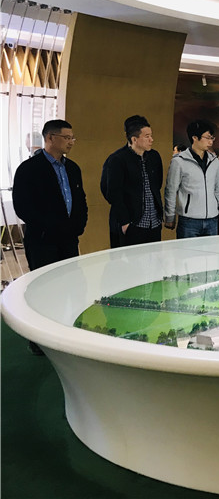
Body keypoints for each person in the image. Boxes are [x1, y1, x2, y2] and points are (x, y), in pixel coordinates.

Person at [12, 119, 88, 355]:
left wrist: (78, 225)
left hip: (68, 239)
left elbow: (81, 201)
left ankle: (63, 333)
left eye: (72, 138)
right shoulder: (29, 169)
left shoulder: (72, 168)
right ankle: (38, 341)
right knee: (42, 290)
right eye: (67, 138)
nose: (71, 142)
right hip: (42, 240)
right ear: (50, 138)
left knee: (69, 287)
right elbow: (23, 207)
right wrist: (49, 227)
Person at [100, 115, 163, 248]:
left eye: (151, 135)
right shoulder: (117, 159)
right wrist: (125, 222)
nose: (151, 140)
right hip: (131, 224)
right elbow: (111, 193)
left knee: (154, 259)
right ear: (134, 139)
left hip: (154, 223)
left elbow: (158, 184)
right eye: (147, 136)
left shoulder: (154, 156)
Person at [164, 120, 219, 238]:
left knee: (211, 250)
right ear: (195, 137)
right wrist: (170, 216)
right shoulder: (179, 161)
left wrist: (215, 205)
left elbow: (217, 188)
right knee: (187, 250)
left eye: (212, 138)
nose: (211, 141)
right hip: (189, 220)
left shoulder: (214, 161)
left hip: (212, 219)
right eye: (207, 137)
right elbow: (171, 190)